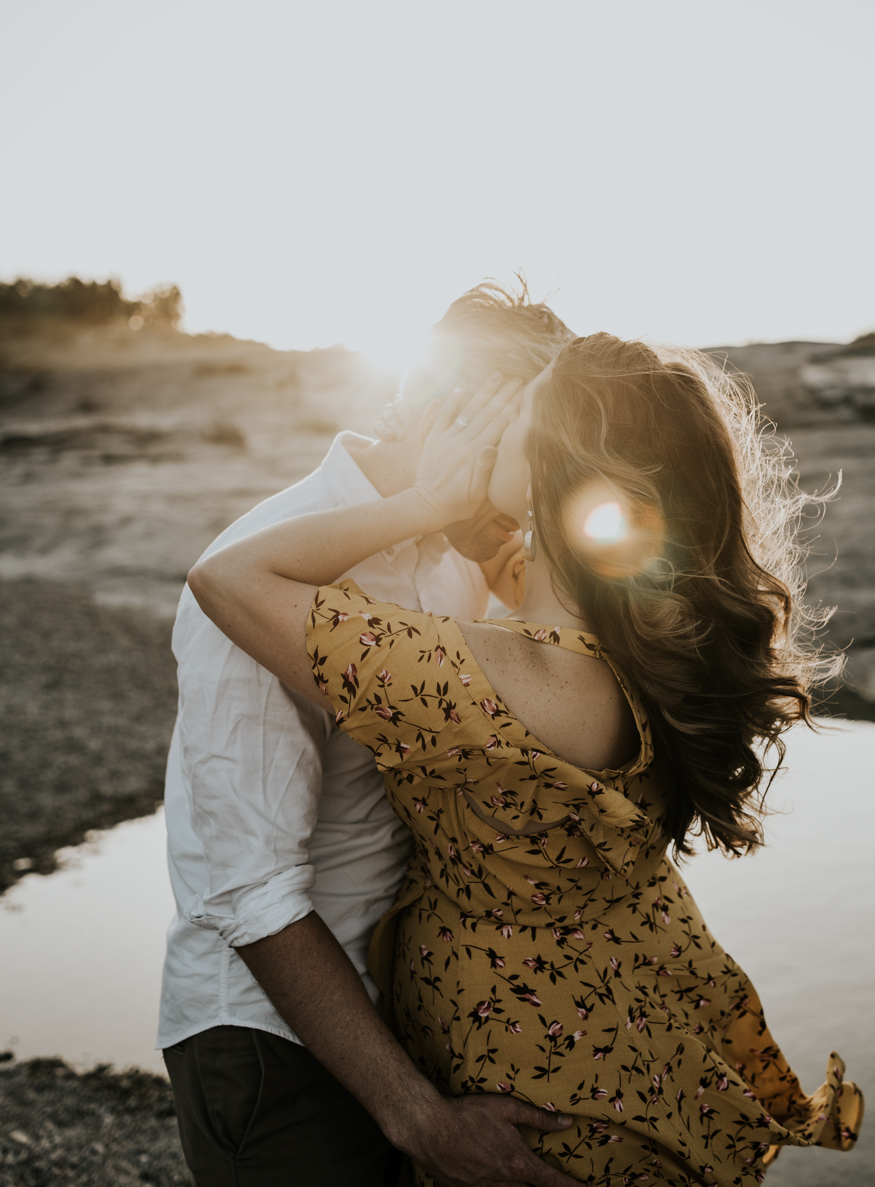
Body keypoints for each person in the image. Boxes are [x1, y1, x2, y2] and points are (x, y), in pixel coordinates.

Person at [189, 333, 865, 1187]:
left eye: (518, 416)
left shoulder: (487, 676)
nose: (492, 424)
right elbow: (538, 578)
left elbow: (230, 577)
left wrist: (428, 503)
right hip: (635, 1034)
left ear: (551, 474)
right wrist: (493, 532)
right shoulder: (644, 637)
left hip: (547, 1091)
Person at [159, 282, 581, 1187]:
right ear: (455, 413)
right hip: (270, 1041)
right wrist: (418, 1118)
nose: (541, 490)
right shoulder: (263, 566)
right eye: (533, 453)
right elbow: (251, 893)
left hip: (397, 1015)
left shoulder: (457, 563)